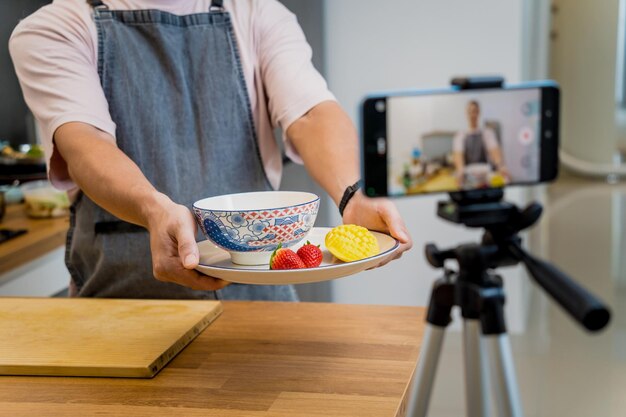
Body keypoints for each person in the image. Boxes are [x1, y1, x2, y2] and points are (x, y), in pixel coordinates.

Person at [9, 0, 412, 300]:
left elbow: (309, 112)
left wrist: (351, 192)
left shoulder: (256, 13)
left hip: (261, 301)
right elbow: (86, 142)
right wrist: (153, 209)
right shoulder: (53, 29)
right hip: (127, 308)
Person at [452, 100, 509, 187]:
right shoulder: (460, 135)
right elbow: (458, 156)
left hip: (486, 173)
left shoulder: (487, 133)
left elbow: (495, 152)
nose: (472, 115)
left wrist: (501, 166)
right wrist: (460, 171)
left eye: (474, 111)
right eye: (469, 111)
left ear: (478, 112)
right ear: (466, 113)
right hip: (468, 175)